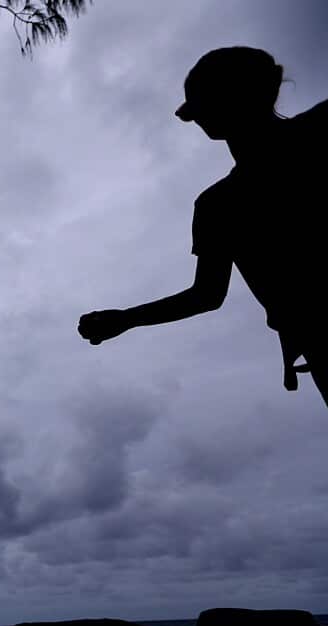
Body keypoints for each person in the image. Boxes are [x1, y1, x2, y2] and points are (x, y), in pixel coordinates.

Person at [78, 47, 328, 404]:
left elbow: (206, 296)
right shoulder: (217, 205)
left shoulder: (224, 200)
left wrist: (126, 320)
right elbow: (206, 295)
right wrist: (125, 319)